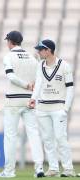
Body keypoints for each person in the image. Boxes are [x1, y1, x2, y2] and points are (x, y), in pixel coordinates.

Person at [0, 31, 44, 178]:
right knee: (34, 134)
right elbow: (39, 79)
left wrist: (26, 85)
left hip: (14, 101)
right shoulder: (32, 57)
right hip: (29, 100)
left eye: (7, 41)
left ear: (10, 42)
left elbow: (10, 76)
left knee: (10, 136)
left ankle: (9, 171)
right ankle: (39, 168)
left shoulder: (9, 56)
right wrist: (31, 89)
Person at [28, 39, 76, 177]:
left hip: (58, 108)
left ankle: (68, 168)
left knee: (60, 138)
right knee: (48, 139)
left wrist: (65, 109)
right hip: (42, 108)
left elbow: (70, 88)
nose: (38, 52)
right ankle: (53, 168)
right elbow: (38, 84)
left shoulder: (64, 65)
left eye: (40, 49)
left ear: (48, 50)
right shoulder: (40, 65)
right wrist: (33, 99)